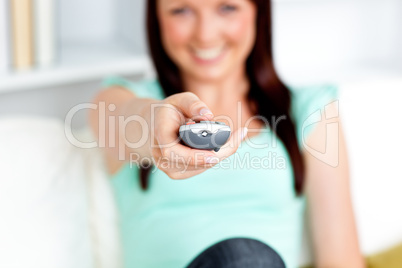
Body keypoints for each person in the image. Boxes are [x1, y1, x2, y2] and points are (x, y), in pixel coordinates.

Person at [89, 0, 365, 267]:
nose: (205, 34)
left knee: (249, 259)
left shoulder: (308, 111)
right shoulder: (118, 100)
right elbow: (126, 119)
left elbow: (342, 261)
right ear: (156, 17)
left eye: (227, 7)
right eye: (181, 10)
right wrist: (157, 127)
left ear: (259, 11)